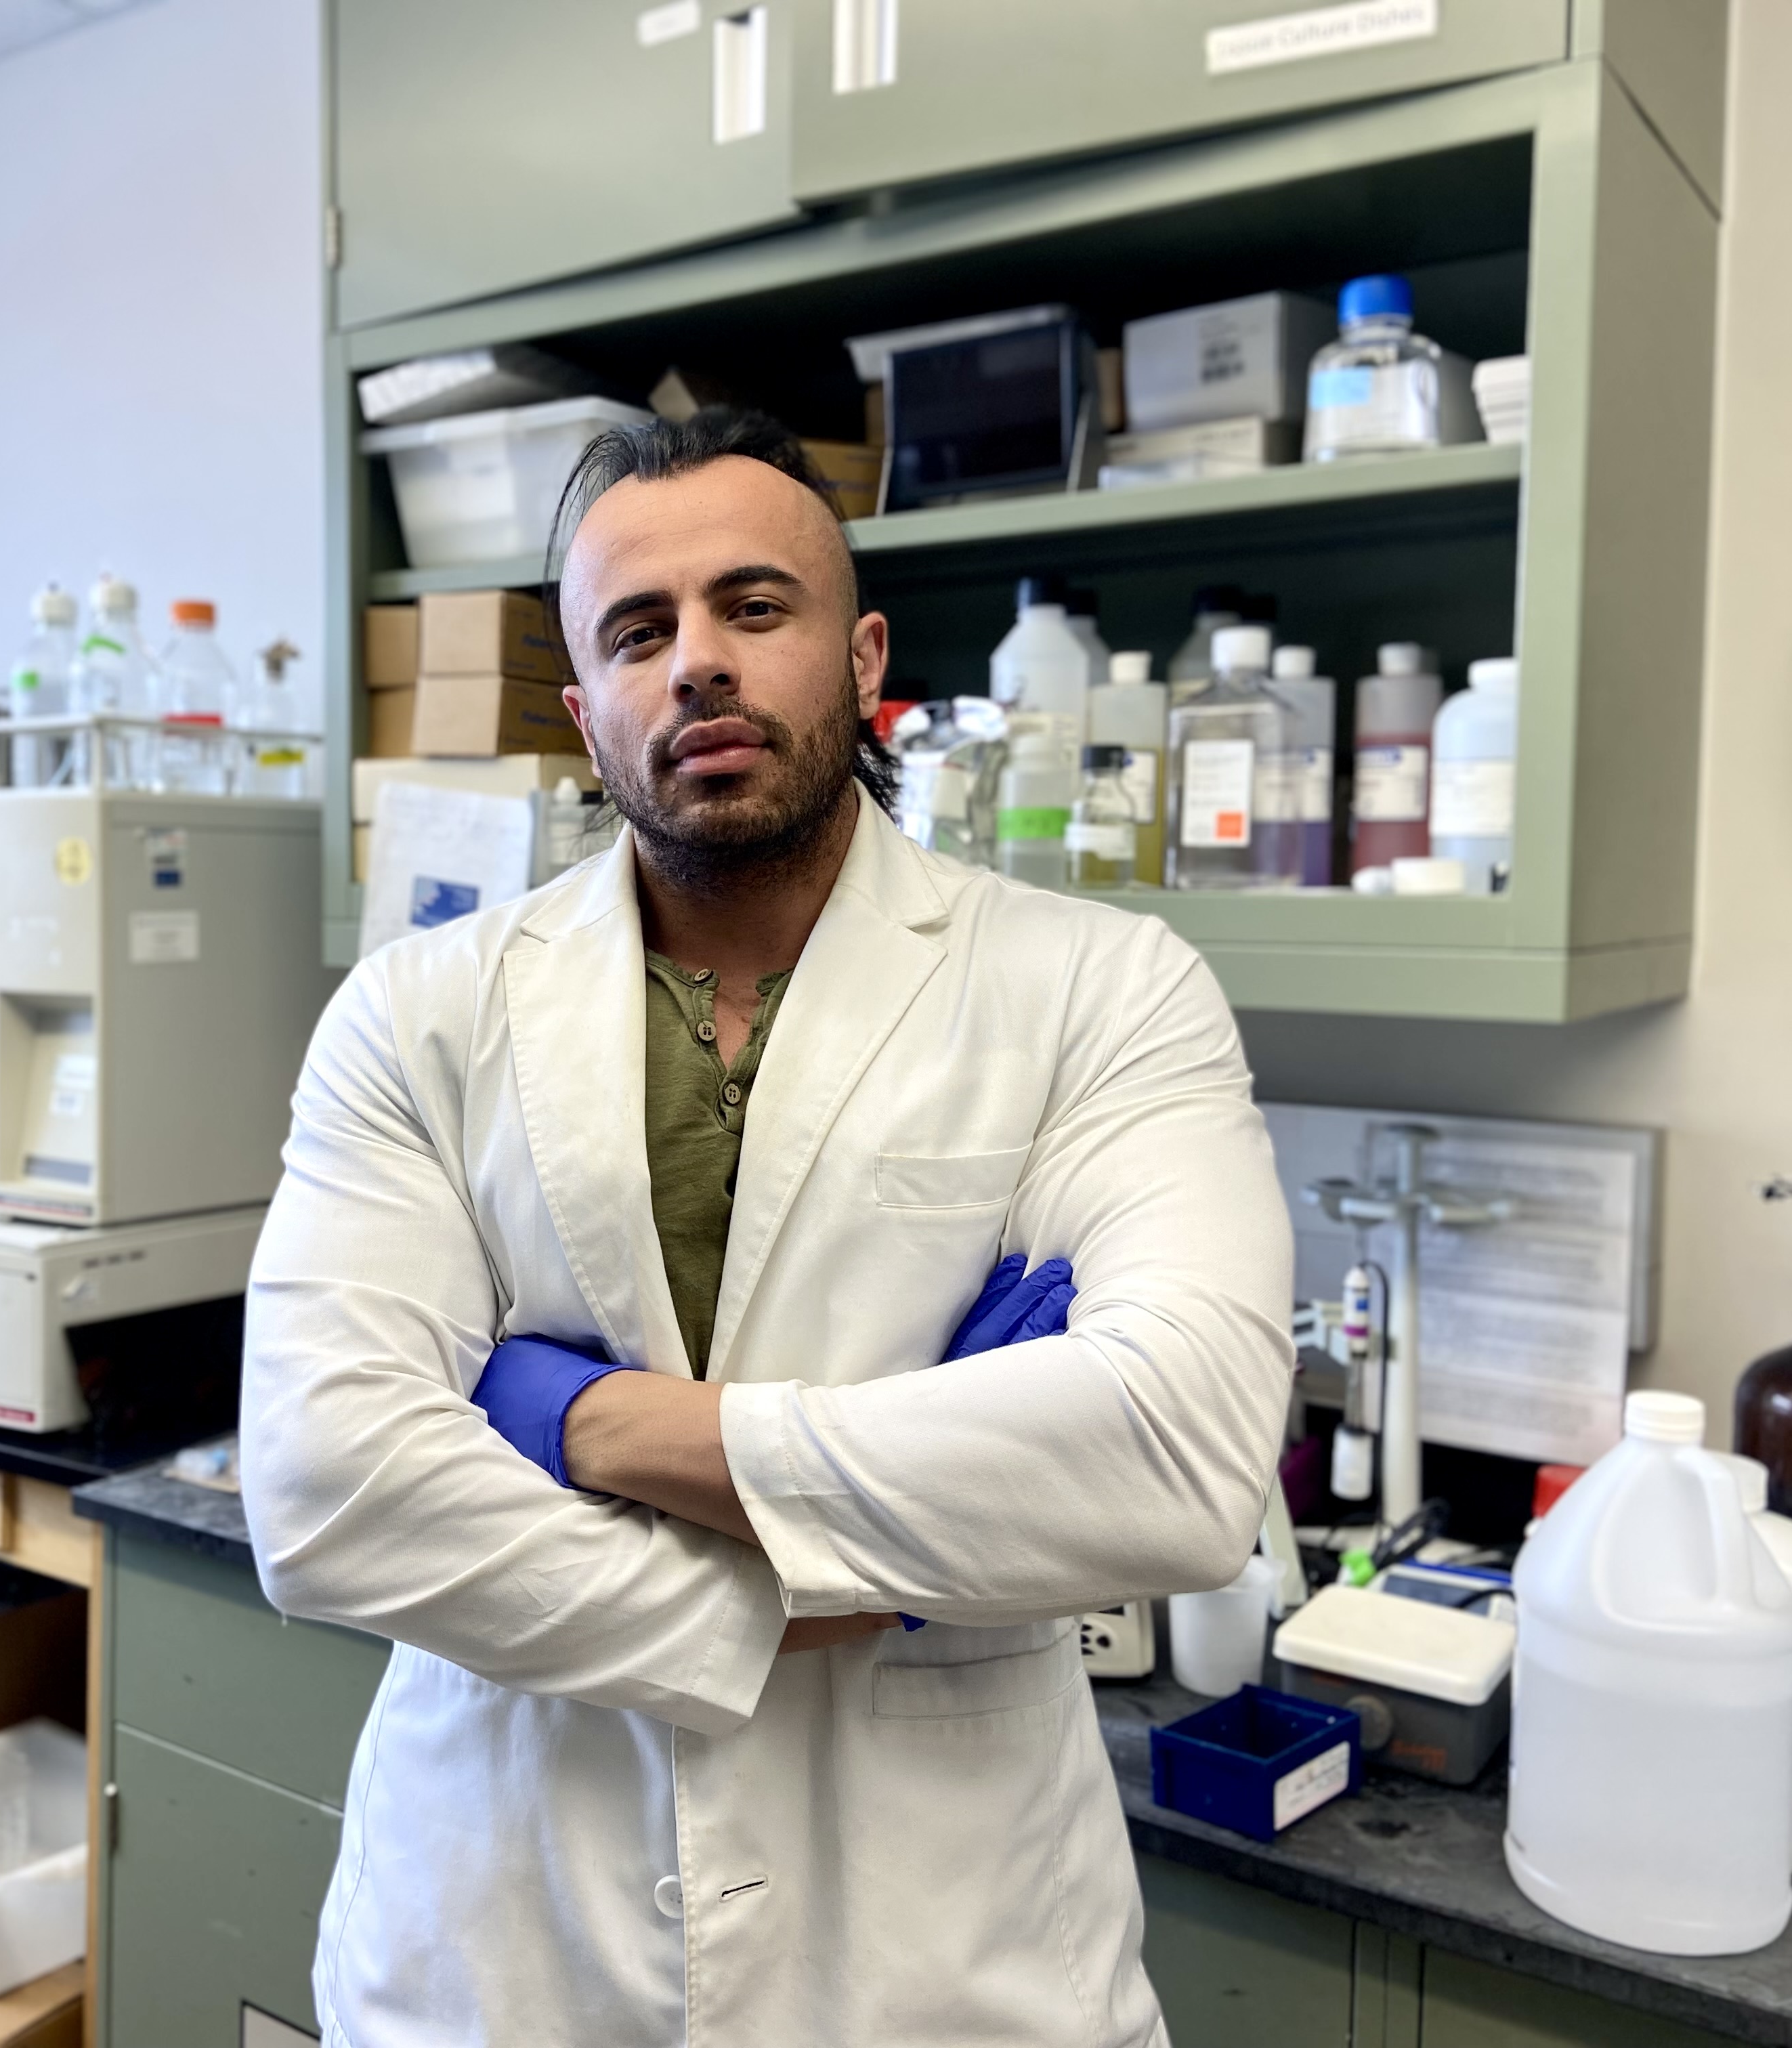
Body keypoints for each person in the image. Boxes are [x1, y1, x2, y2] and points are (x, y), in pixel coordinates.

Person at [240, 408, 1294, 2047]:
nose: (699, 667)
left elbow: (1181, 1452)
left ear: (862, 652)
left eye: (754, 607)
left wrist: (569, 1414)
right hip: (509, 1944)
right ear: (585, 713)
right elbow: (324, 1484)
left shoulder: (1099, 989)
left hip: (949, 1960)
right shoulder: (420, 1015)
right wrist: (844, 1572)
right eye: (639, 633)